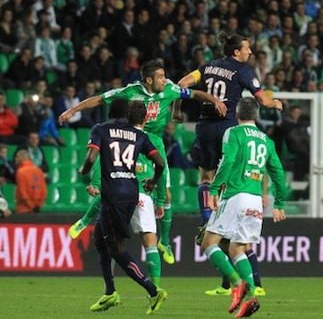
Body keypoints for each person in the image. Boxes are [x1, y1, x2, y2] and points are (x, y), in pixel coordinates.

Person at [59, 60, 226, 265]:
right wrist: (71, 111)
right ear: (148, 80)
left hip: (154, 143)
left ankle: (165, 242)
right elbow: (99, 99)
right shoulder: (130, 92)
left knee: (167, 195)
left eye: (165, 76)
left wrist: (214, 100)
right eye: (161, 77)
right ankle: (84, 221)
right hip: (131, 139)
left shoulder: (169, 89)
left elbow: (194, 93)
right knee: (115, 180)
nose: (165, 80)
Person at [178, 33, 282, 295]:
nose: (251, 52)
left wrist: (183, 108)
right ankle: (249, 280)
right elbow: (262, 99)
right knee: (228, 182)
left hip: (204, 126)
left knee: (205, 176)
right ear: (237, 52)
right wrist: (276, 103)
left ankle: (208, 219)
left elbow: (181, 84)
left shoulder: (207, 66)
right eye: (247, 48)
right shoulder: (243, 70)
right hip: (227, 126)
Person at [200, 97, 286, 318]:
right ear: (256, 116)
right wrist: (280, 203)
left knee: (208, 242)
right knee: (237, 249)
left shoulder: (234, 133)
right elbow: (277, 171)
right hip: (255, 199)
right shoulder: (267, 140)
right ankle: (250, 298)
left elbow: (228, 161)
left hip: (235, 194)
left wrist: (213, 188)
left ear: (237, 114)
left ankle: (237, 283)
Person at [79, 99, 167, 314]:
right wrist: (154, 181)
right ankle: (110, 292)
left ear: (109, 112)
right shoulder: (139, 135)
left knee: (116, 249)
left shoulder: (102, 129)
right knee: (100, 240)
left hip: (113, 195)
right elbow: (160, 163)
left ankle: (153, 291)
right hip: (131, 191)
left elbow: (91, 157)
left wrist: (84, 174)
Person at [14, 149, 47, 214]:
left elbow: (22, 191)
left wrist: (30, 204)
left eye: (17, 156)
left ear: (23, 157)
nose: (15, 159)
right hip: (37, 207)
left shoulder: (21, 172)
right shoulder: (39, 170)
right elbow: (44, 189)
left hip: (23, 207)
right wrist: (39, 204)